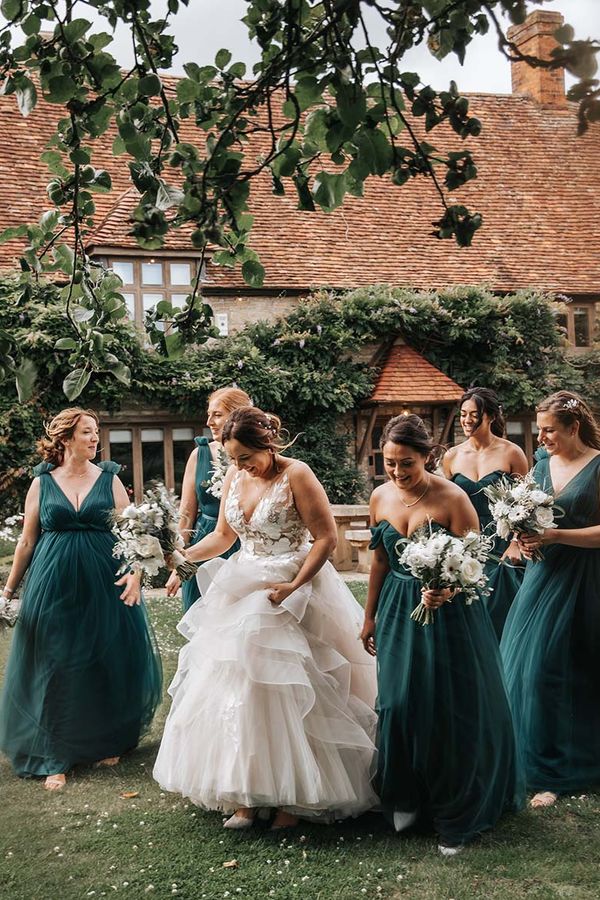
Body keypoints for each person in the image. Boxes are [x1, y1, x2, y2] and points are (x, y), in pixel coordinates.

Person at [154, 407, 378, 829]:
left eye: (245, 457)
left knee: (294, 687)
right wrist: (182, 559)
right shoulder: (234, 476)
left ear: (267, 444)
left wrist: (295, 587)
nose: (240, 466)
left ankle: (292, 799)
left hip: (291, 583)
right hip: (243, 579)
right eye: (233, 458)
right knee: (239, 682)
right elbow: (223, 536)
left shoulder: (298, 474)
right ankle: (246, 791)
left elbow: (327, 538)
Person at [360, 415, 521, 855]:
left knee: (445, 706)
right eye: (389, 462)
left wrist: (446, 588)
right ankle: (408, 798)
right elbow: (377, 562)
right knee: (397, 701)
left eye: (406, 463)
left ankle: (456, 808)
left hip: (449, 618)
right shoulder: (379, 497)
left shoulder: (453, 499)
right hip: (396, 609)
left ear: (427, 457)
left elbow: (477, 565)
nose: (396, 472)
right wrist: (369, 616)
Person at [0, 408, 162, 790]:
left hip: (105, 580)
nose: (95, 438)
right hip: (51, 582)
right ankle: (54, 752)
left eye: (96, 432)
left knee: (105, 657)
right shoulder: (43, 483)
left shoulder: (110, 479)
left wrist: (136, 576)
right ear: (67, 438)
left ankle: (106, 739)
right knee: (54, 662)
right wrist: (8, 592)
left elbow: (136, 536)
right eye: (87, 432)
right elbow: (27, 541)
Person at [501, 390, 600, 809]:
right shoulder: (541, 466)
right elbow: (527, 519)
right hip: (541, 577)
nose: (540, 438)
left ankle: (562, 769)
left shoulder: (597, 466)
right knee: (529, 670)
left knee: (573, 670)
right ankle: (533, 762)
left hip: (585, 578)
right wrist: (520, 538)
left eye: (548, 430)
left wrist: (557, 535)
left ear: (573, 427)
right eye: (539, 430)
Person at [443, 387, 528, 638]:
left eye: (474, 414)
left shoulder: (512, 453)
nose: (467, 420)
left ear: (490, 416)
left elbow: (526, 503)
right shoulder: (452, 456)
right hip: (465, 544)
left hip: (503, 547)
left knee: (502, 618)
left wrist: (515, 543)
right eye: (463, 414)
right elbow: (445, 504)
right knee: (466, 621)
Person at [167, 386, 252, 611]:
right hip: (203, 541)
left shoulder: (256, 458)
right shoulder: (200, 454)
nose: (209, 422)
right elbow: (186, 515)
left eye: (217, 414)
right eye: (209, 414)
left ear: (236, 416)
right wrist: (180, 563)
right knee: (200, 620)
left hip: (245, 545)